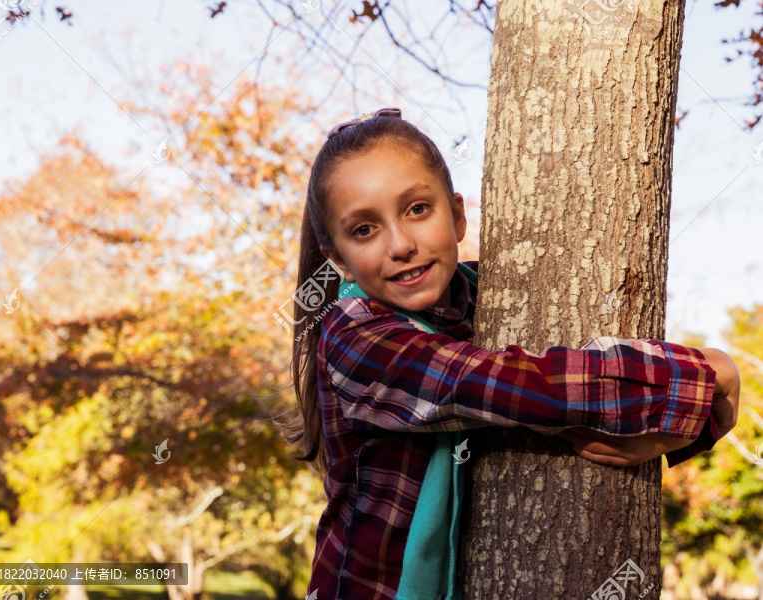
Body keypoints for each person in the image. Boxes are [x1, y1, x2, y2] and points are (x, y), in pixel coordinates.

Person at [276, 107, 741, 600]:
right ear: (338, 259)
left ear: (456, 215)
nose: (401, 245)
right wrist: (707, 375)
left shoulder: (484, 296)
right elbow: (503, 385)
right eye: (364, 230)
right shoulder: (355, 337)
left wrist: (668, 434)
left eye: (417, 209)